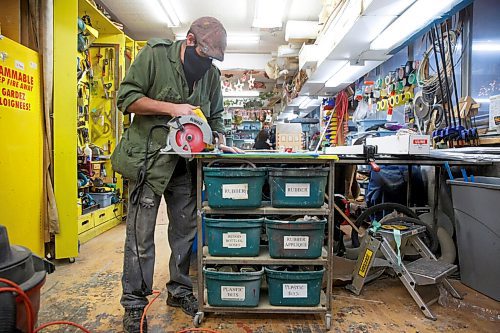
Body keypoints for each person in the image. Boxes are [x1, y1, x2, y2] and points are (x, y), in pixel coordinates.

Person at [111, 17, 241, 333]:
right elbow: (125, 99)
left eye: (212, 59)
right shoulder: (155, 55)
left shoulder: (210, 75)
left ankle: (180, 291)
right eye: (204, 56)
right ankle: (134, 305)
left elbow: (217, 116)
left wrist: (220, 140)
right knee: (140, 239)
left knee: (184, 234)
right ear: (190, 40)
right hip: (149, 161)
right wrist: (173, 108)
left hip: (185, 166)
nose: (207, 63)